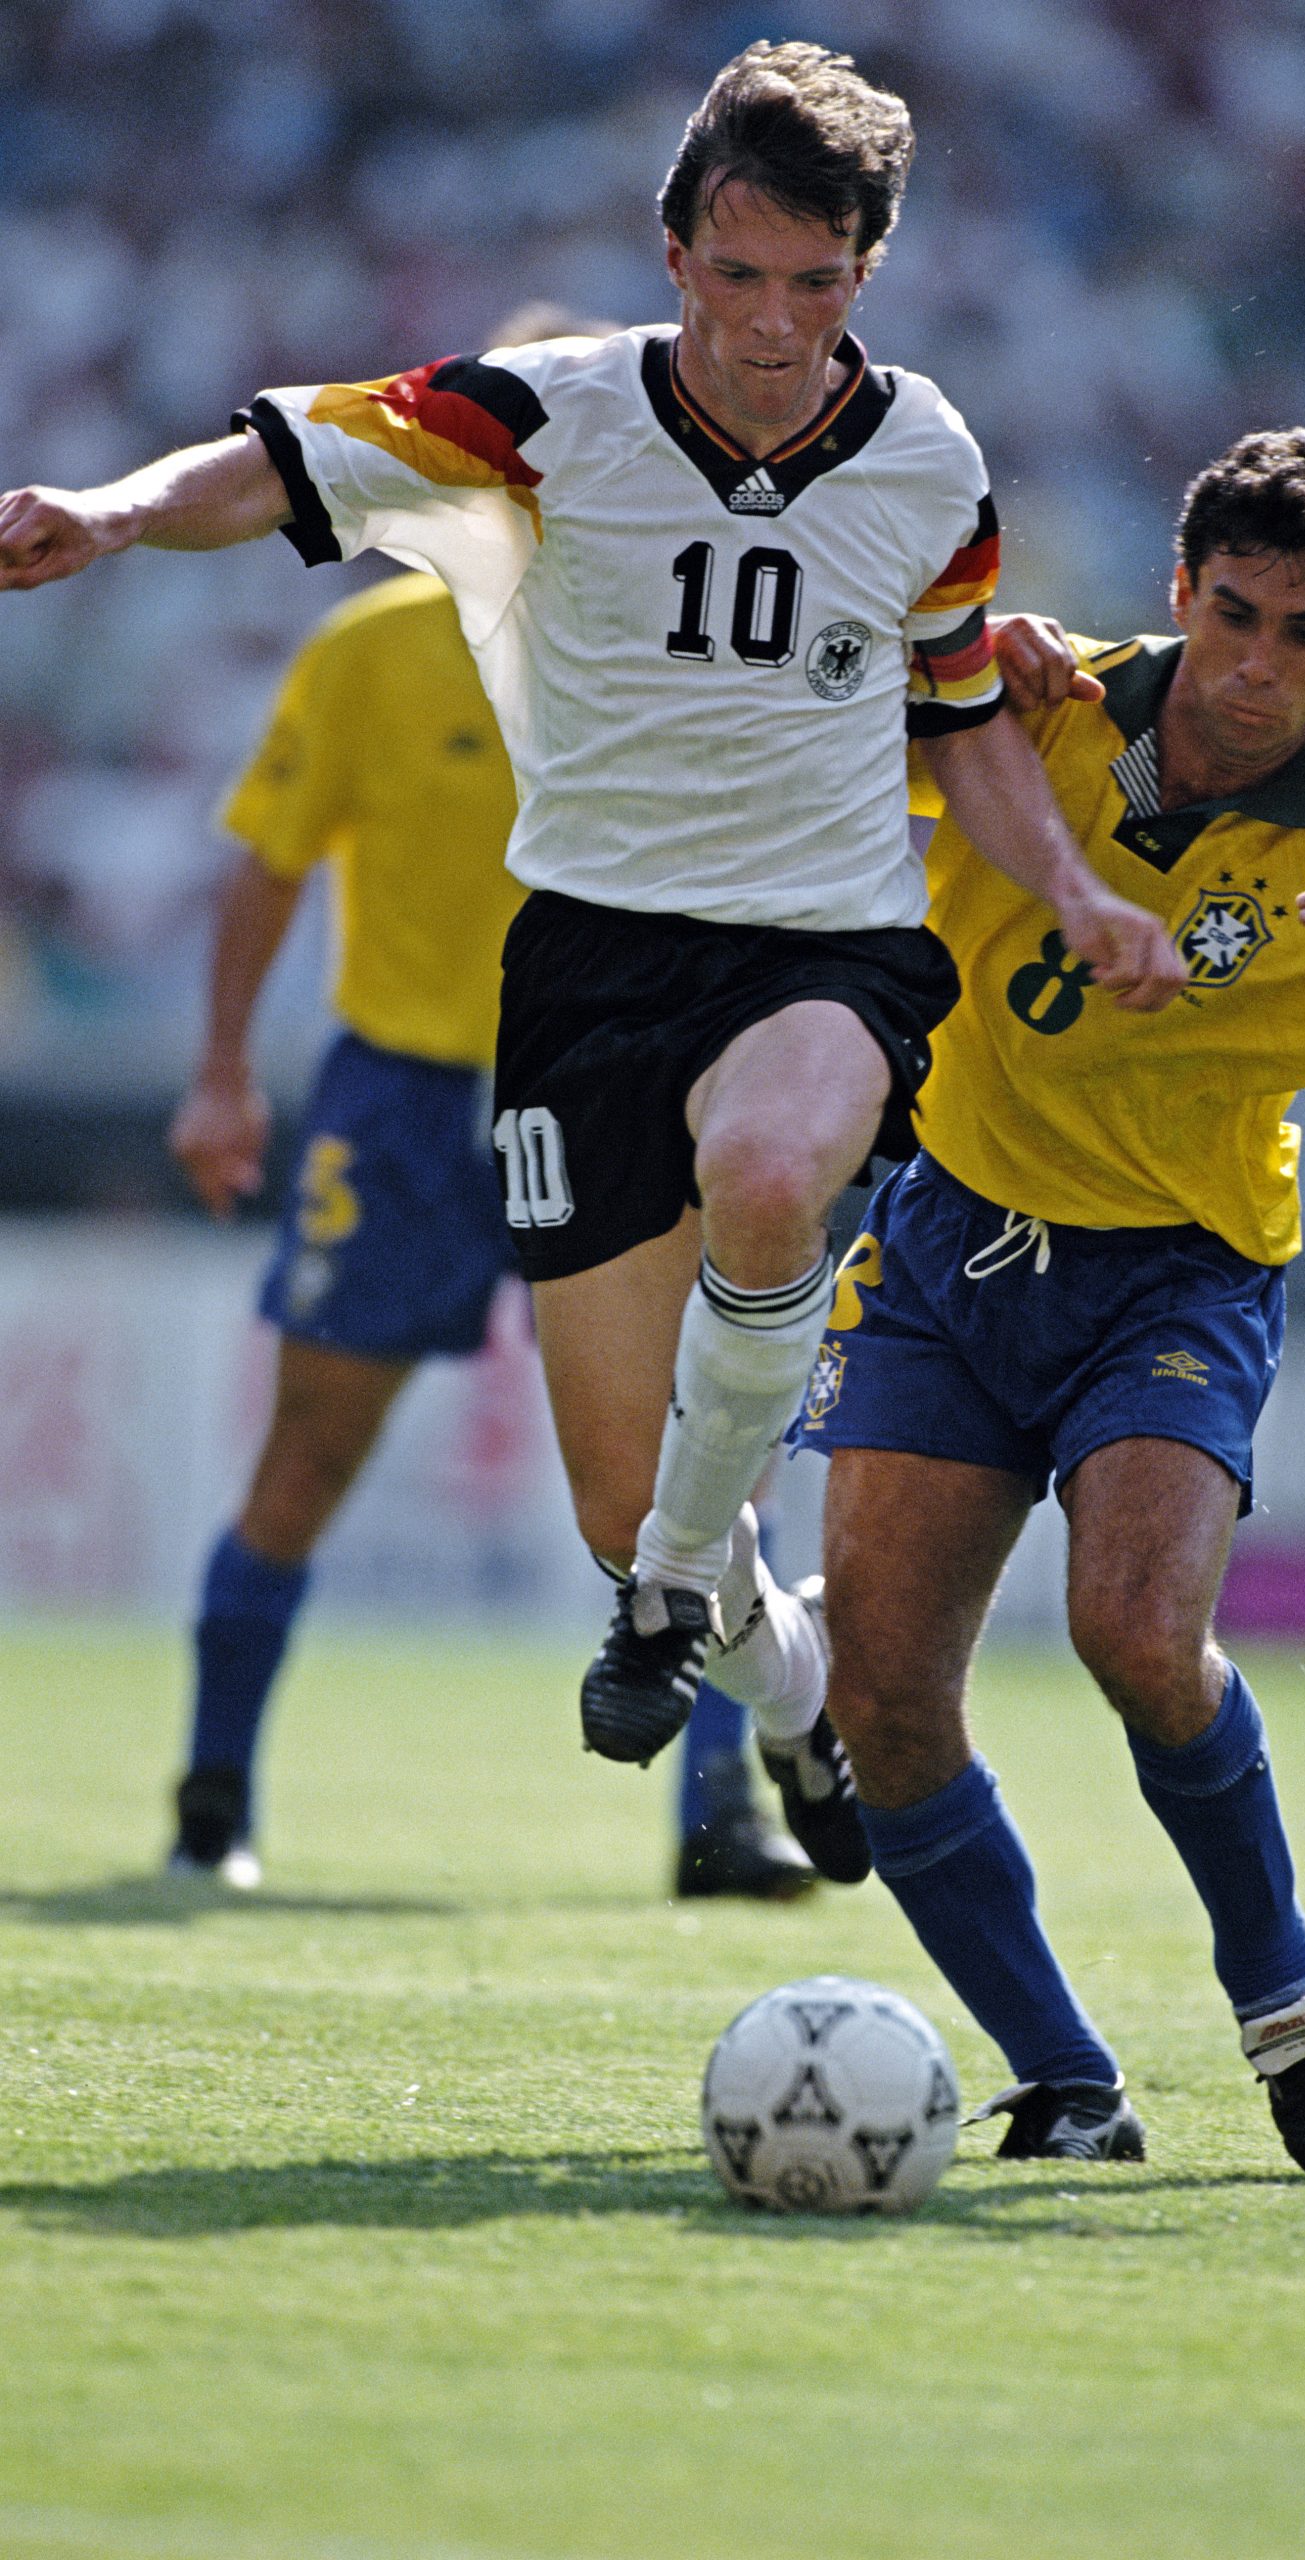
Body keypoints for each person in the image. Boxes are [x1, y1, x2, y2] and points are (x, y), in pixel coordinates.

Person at [0, 42, 1182, 1885]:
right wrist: (119, 512)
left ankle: (661, 1625)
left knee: (778, 1172)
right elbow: (285, 454)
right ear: (672, 251)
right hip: (586, 978)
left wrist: (1074, 895)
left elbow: (959, 721)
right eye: (739, 275)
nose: (773, 323)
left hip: (826, 949)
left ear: (868, 271)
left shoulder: (931, 458)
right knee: (632, 1518)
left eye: (817, 281)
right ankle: (776, 1700)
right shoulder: (545, 422)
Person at [797, 429, 1305, 2169]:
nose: (1259, 668)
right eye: (1238, 615)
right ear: (1180, 591)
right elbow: (813, 711)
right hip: (950, 1233)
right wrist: (943, 641)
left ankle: (1286, 1995)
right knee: (885, 1698)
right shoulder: (1032, 698)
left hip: (1175, 1279)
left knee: (1134, 1632)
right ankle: (1068, 2080)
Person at [167, 305, 813, 1902]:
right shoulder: (373, 649)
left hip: (618, 1082)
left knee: (696, 1457)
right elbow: (267, 861)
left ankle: (721, 1819)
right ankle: (213, 1800)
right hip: (407, 1097)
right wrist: (224, 1071)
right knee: (314, 1446)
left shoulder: (685, 642)